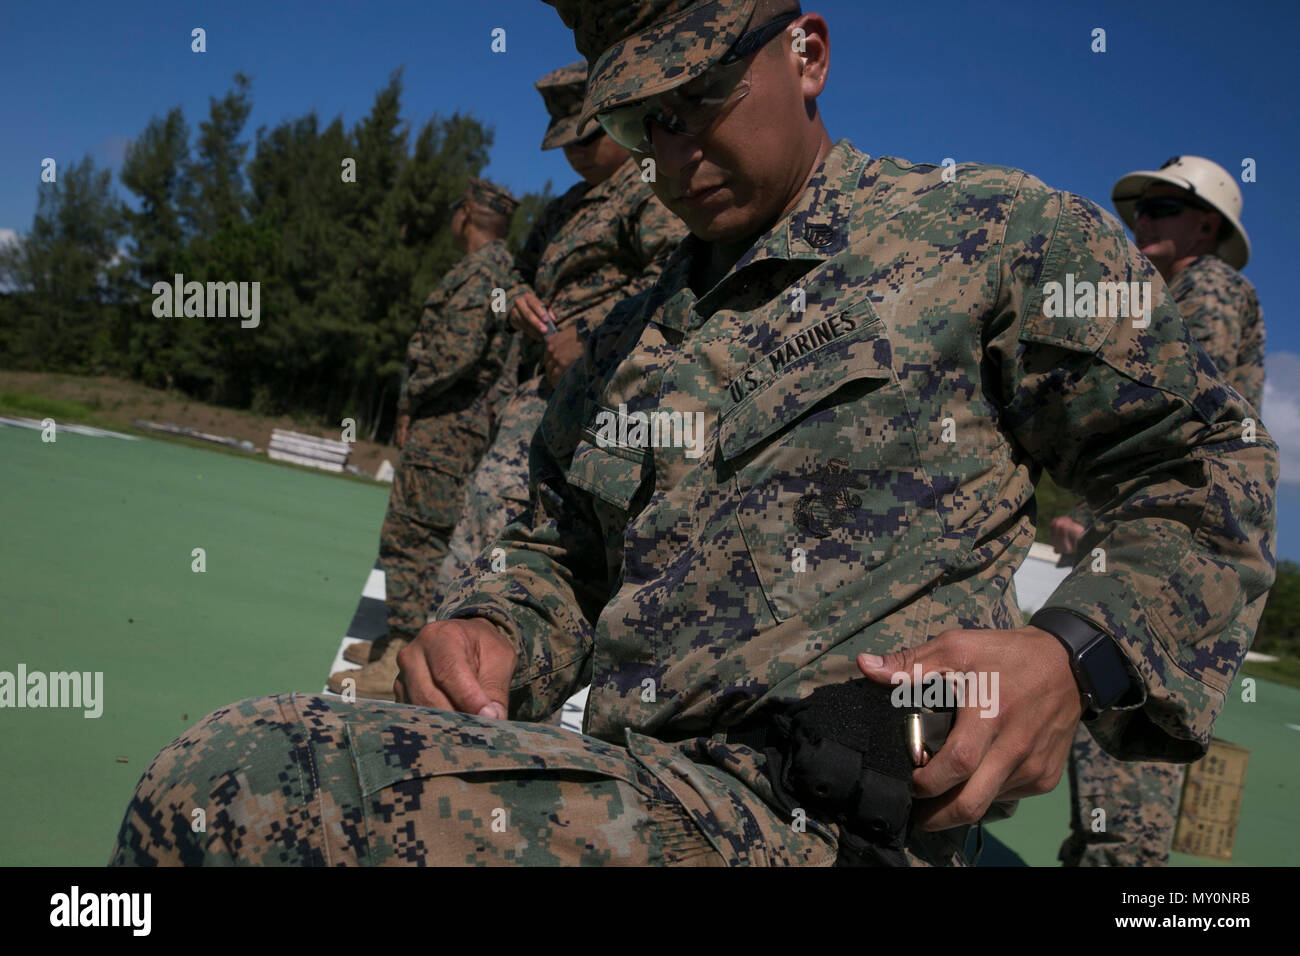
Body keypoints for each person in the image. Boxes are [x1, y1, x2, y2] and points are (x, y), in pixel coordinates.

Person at [110, 0, 1276, 867]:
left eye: (699, 100)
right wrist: (496, 626)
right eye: (642, 120)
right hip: (643, 788)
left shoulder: (996, 236)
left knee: (235, 778)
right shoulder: (628, 331)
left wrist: (1070, 655)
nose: (672, 153)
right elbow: (558, 551)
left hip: (842, 817)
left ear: (806, 53)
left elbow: (1205, 472)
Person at [1052, 155, 1265, 866]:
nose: (1142, 218)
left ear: (1206, 225)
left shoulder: (1206, 289)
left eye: (1163, 206)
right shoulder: (1174, 293)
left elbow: (1176, 411)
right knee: (1105, 759)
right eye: (1139, 208)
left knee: (1123, 784)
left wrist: (1099, 514)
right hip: (1160, 540)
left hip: (1169, 554)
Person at [425, 60, 685, 616]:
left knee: (532, 525)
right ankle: (446, 650)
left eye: (587, 139)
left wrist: (590, 337)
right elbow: (514, 269)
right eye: (565, 145)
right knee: (494, 515)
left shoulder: (648, 189)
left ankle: (477, 668)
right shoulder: (565, 207)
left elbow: (673, 273)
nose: (576, 154)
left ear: (616, 123)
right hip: (543, 394)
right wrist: (517, 300)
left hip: (608, 393)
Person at [327, 177, 518, 700]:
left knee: (415, 536)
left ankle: (405, 657)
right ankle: (398, 636)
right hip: (450, 423)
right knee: (408, 532)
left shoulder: (482, 273)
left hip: (448, 425)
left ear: (466, 215)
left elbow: (455, 355)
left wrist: (412, 394)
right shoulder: (494, 271)